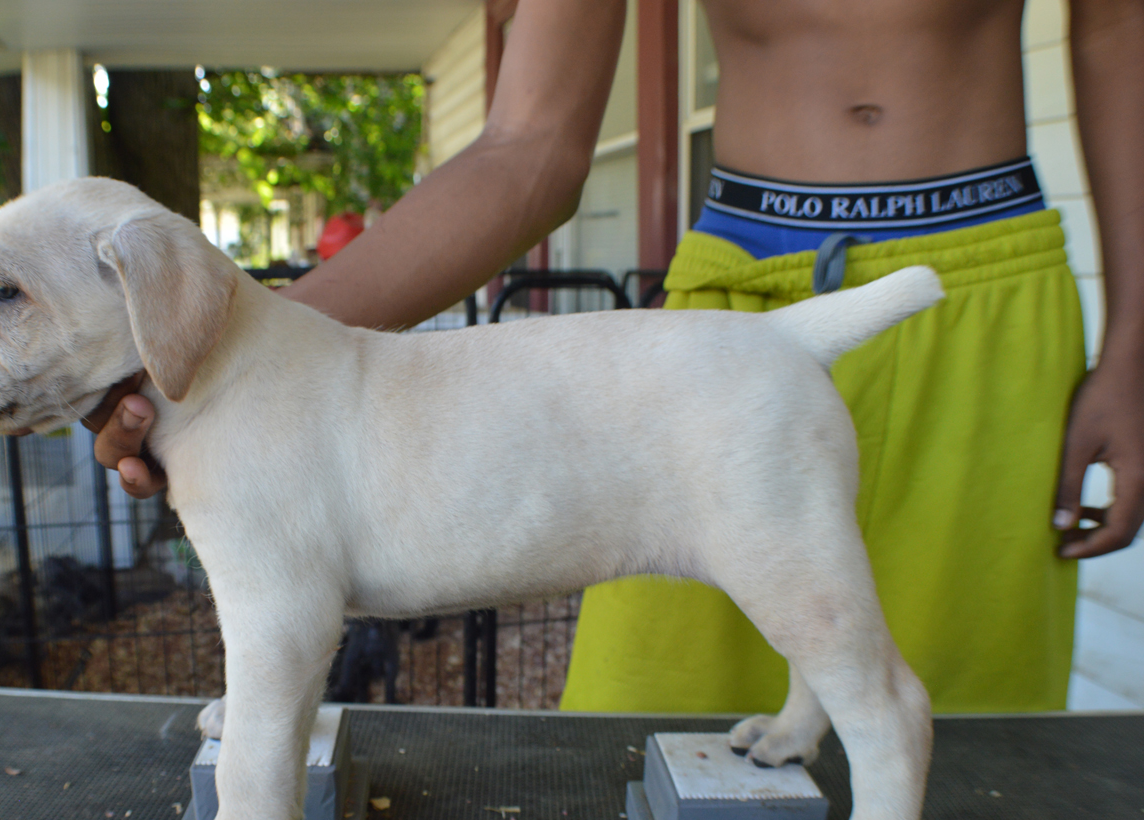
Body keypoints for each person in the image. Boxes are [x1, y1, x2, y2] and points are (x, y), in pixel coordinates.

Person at [87, 0, 1143, 713]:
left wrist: (1137, 345)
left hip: (983, 298)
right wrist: (227, 356)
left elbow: (1116, 30)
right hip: (713, 344)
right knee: (634, 756)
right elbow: (528, 146)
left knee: (958, 784)